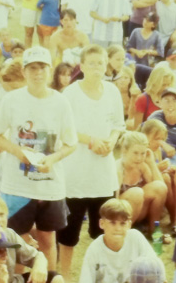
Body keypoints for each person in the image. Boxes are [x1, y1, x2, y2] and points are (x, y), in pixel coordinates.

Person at [0, 45, 78, 268]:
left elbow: (71, 143)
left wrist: (53, 159)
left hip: (50, 186)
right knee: (15, 241)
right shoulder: (12, 100)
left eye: (42, 67)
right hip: (17, 187)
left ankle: (49, 278)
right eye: (32, 68)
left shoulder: (61, 102)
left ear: (50, 70)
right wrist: (18, 152)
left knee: (48, 239)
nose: (38, 73)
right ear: (24, 71)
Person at [58, 45, 126, 277]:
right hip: (75, 176)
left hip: (103, 175)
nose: (97, 67)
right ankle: (64, 277)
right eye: (92, 63)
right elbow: (65, 129)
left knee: (103, 231)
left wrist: (111, 141)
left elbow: (118, 125)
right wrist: (91, 141)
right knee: (68, 235)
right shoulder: (70, 94)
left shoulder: (112, 92)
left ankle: (103, 277)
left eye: (101, 62)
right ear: (83, 66)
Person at [78, 199, 158, 283]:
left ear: (129, 224)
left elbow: (154, 268)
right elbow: (86, 280)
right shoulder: (94, 249)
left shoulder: (136, 238)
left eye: (123, 223)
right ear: (102, 223)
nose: (118, 228)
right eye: (112, 223)